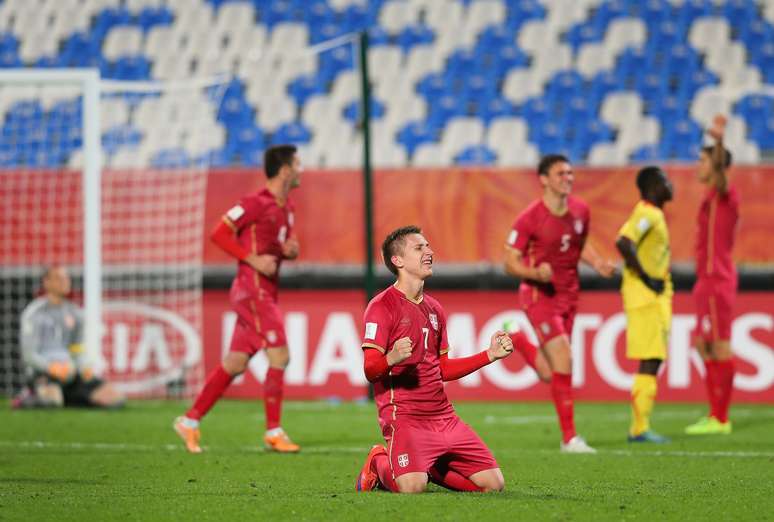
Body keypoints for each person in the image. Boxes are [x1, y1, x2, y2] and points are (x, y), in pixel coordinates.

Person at [356, 225, 513, 494]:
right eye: (419, 248)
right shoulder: (381, 306)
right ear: (398, 260)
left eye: (428, 246)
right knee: (411, 489)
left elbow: (443, 369)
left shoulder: (434, 308)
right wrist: (391, 358)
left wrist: (489, 355)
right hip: (406, 419)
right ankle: (377, 461)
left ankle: (428, 465)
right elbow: (371, 369)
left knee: (493, 486)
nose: (429, 252)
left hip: (444, 417)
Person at [174, 144, 302, 454]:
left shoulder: (287, 208)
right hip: (252, 290)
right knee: (280, 356)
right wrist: (253, 260)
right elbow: (219, 232)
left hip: (265, 291)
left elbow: (282, 246)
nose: (301, 169)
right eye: (297, 164)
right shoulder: (254, 203)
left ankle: (189, 421)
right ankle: (274, 431)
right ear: (284, 169)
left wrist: (291, 250)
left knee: (235, 362)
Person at [502, 154, 615, 453]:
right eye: (560, 173)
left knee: (552, 373)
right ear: (544, 179)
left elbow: (578, 243)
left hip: (569, 295)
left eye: (570, 173)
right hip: (540, 296)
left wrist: (598, 263)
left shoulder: (581, 210)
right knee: (564, 358)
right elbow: (509, 263)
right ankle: (570, 439)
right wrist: (534, 272)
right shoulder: (530, 218)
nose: (568, 178)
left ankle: (518, 340)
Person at [685, 115, 739, 436]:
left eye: (703, 160)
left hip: (718, 280)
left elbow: (720, 174)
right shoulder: (708, 197)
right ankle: (714, 414)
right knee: (704, 345)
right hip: (705, 281)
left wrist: (718, 139)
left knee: (720, 346)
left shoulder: (725, 194)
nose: (698, 165)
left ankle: (721, 418)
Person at [615, 166, 674, 443]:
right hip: (644, 296)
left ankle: (641, 426)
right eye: (665, 181)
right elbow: (624, 243)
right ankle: (639, 428)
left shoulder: (654, 213)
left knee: (655, 358)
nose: (670, 185)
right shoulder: (647, 212)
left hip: (653, 296)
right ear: (653, 186)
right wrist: (648, 278)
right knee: (650, 359)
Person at [14, 266, 125, 409]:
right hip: (44, 374)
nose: (65, 282)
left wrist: (84, 367)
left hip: (71, 374)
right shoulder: (34, 312)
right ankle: (27, 396)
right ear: (46, 282)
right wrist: (51, 368)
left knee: (115, 398)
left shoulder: (75, 313)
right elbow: (29, 355)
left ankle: (68, 397)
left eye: (66, 278)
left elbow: (76, 350)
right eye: (59, 278)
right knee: (51, 401)